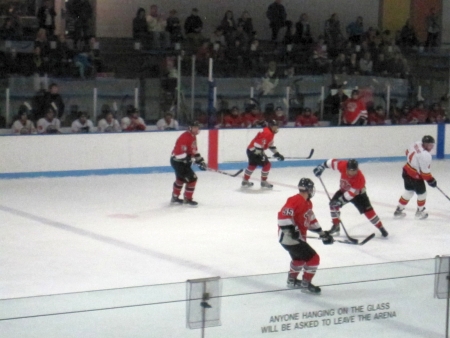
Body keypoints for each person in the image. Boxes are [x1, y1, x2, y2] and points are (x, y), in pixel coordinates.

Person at [277, 178, 334, 293]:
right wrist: (290, 230)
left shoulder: (308, 203)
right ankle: (306, 283)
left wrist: (322, 233)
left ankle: (291, 280)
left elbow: (310, 220)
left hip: (291, 240)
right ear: (309, 189)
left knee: (299, 259)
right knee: (313, 259)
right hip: (290, 239)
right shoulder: (295, 200)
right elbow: (283, 216)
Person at [313, 158, 388, 237]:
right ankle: (336, 226)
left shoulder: (360, 179)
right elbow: (332, 162)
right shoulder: (343, 165)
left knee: (369, 212)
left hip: (359, 195)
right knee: (333, 205)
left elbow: (351, 194)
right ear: (347, 168)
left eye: (354, 171)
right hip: (344, 190)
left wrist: (340, 201)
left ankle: (381, 227)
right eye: (350, 170)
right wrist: (321, 166)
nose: (352, 173)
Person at [394, 136, 437, 219]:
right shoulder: (426, 155)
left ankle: (398, 211)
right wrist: (431, 180)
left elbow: (407, 152)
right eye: (429, 145)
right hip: (415, 176)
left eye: (432, 145)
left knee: (409, 192)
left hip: (406, 171)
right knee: (422, 194)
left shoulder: (416, 143)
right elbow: (425, 173)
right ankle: (420, 212)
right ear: (424, 144)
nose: (431, 147)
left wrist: (414, 162)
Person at [170, 121, 207, 206]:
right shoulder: (185, 137)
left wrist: (200, 160)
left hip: (183, 162)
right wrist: (190, 158)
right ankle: (187, 199)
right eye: (195, 127)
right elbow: (178, 154)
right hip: (178, 162)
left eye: (198, 127)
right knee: (192, 179)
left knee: (180, 179)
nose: (197, 129)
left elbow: (193, 151)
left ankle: (175, 197)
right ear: (190, 128)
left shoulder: (192, 136)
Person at [241, 119, 284, 189]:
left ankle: (245, 180)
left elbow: (269, 145)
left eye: (277, 126)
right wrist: (259, 153)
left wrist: (277, 153)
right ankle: (263, 182)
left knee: (252, 165)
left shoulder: (269, 131)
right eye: (274, 126)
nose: (276, 128)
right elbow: (257, 144)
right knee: (267, 165)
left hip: (250, 149)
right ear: (270, 126)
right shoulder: (268, 133)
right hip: (255, 151)